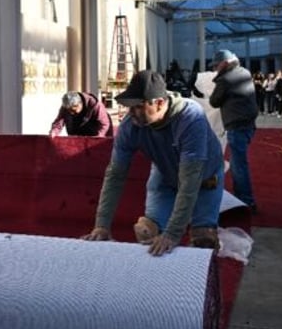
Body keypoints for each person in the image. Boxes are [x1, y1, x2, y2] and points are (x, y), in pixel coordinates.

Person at [81, 70, 225, 255]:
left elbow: (190, 181)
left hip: (204, 178)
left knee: (203, 242)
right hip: (165, 175)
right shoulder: (130, 125)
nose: (130, 112)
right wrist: (101, 225)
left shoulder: (190, 118)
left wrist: (172, 234)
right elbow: (115, 175)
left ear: (158, 103)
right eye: (129, 106)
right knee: (147, 233)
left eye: (137, 106)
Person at [209, 49, 259, 213]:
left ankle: (246, 201)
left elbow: (214, 101)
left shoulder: (226, 79)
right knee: (240, 163)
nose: (215, 68)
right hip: (249, 124)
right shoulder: (244, 72)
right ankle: (244, 198)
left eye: (217, 65)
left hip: (236, 125)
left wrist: (218, 78)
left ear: (225, 63)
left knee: (238, 165)